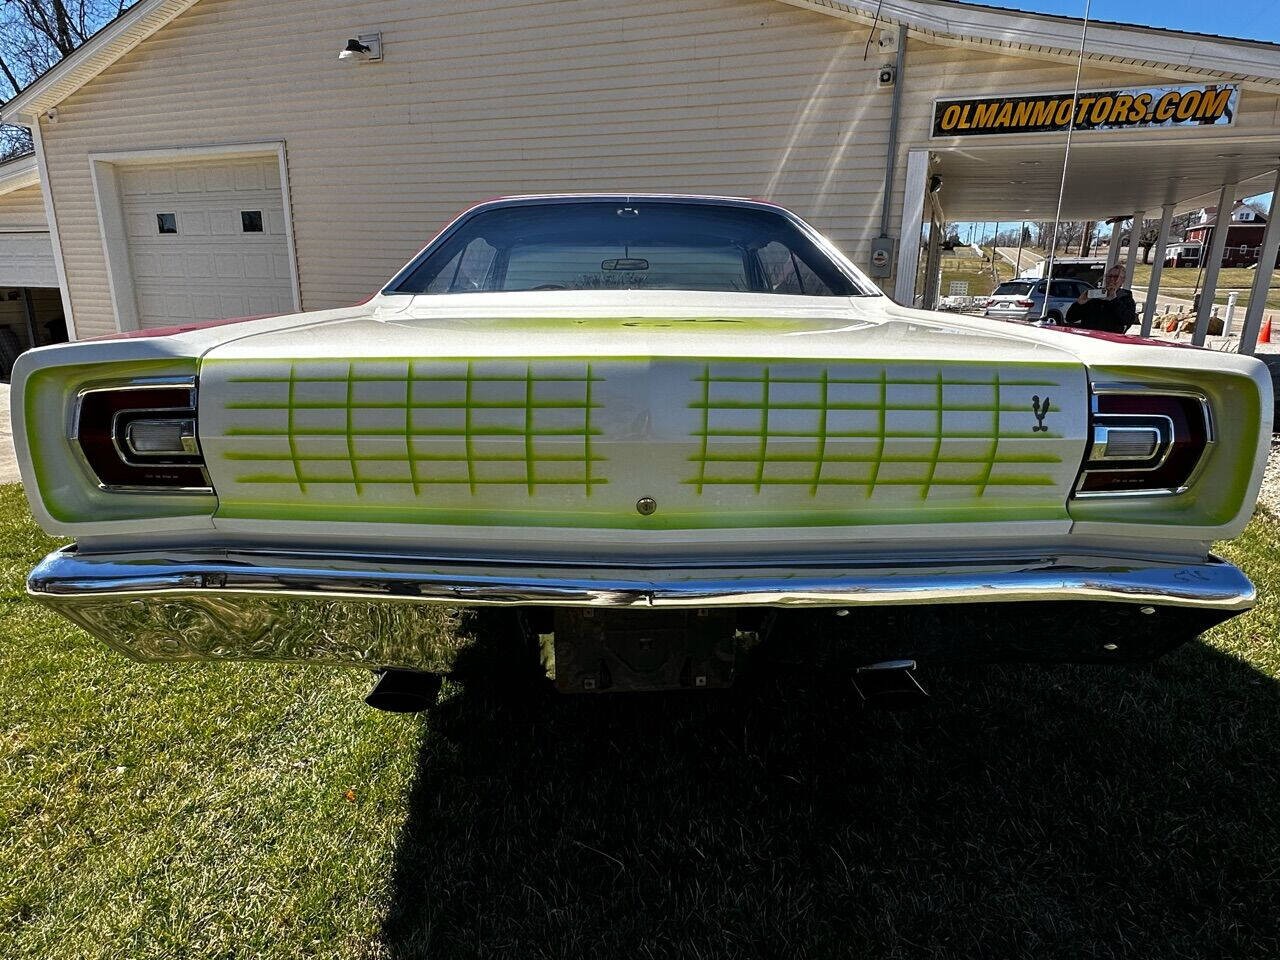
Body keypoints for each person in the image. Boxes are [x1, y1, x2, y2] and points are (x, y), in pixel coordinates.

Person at [1065, 264, 1138, 333]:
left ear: (1122, 280)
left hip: (1108, 340)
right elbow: (1070, 318)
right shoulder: (1095, 296)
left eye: (1116, 277)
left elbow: (1127, 320)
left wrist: (1114, 300)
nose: (1112, 279)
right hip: (1088, 338)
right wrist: (1079, 303)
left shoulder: (1126, 299)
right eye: (1109, 276)